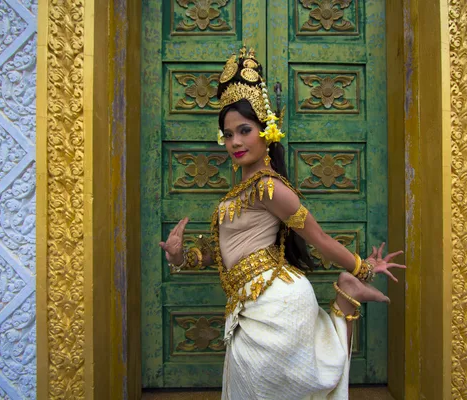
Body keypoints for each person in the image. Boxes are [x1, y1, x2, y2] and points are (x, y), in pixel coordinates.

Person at [159, 46, 406, 400]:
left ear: (266, 131)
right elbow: (222, 252)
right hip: (250, 306)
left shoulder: (269, 187)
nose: (235, 142)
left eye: (244, 130)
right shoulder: (241, 190)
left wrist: (364, 267)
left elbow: (319, 238)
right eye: (228, 135)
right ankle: (348, 295)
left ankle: (349, 292)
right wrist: (182, 256)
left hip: (276, 305)